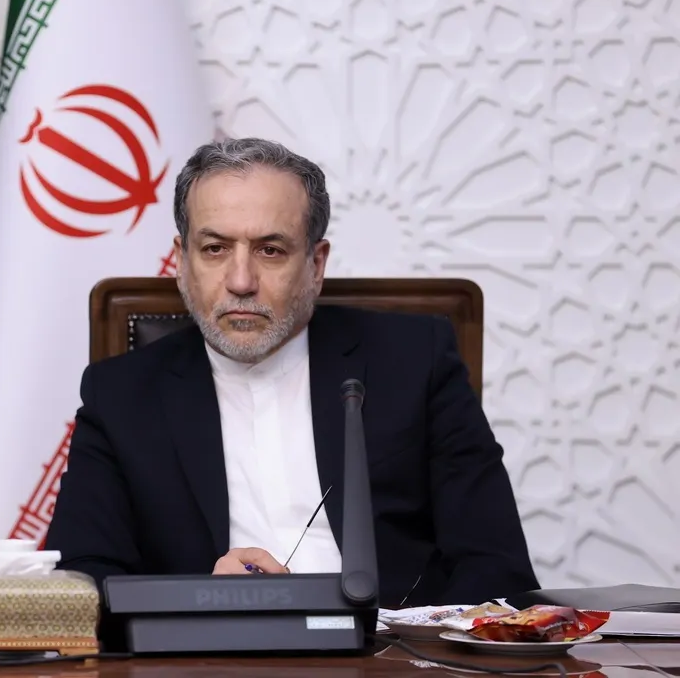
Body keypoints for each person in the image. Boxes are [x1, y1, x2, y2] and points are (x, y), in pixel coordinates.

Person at [43, 137, 539, 611]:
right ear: (181, 262)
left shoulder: (414, 361)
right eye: (215, 248)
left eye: (271, 250)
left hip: (387, 652)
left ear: (316, 265)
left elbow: (497, 568)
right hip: (206, 655)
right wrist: (200, 598)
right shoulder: (121, 394)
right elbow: (81, 579)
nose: (241, 281)